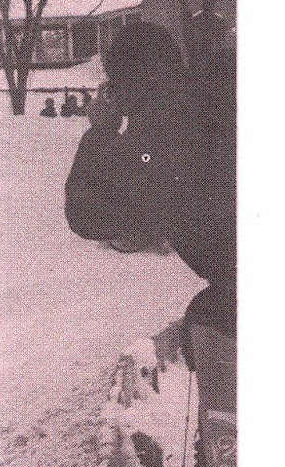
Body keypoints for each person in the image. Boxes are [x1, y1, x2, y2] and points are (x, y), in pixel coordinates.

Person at [65, 18, 234, 339]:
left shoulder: (155, 131)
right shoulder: (218, 94)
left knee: (209, 319)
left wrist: (100, 132)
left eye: (114, 83)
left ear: (131, 84)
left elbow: (87, 216)